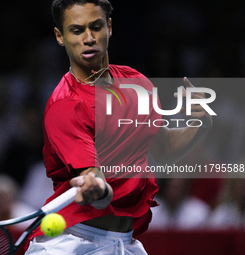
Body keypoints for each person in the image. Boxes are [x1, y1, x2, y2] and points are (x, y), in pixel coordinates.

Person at [25, 0, 212, 254]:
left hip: (124, 243)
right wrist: (96, 188)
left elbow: (164, 149)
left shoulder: (138, 84)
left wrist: (197, 124)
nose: (89, 38)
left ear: (109, 27)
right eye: (77, 30)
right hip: (74, 243)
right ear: (60, 36)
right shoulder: (66, 105)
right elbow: (93, 176)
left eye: (96, 27)